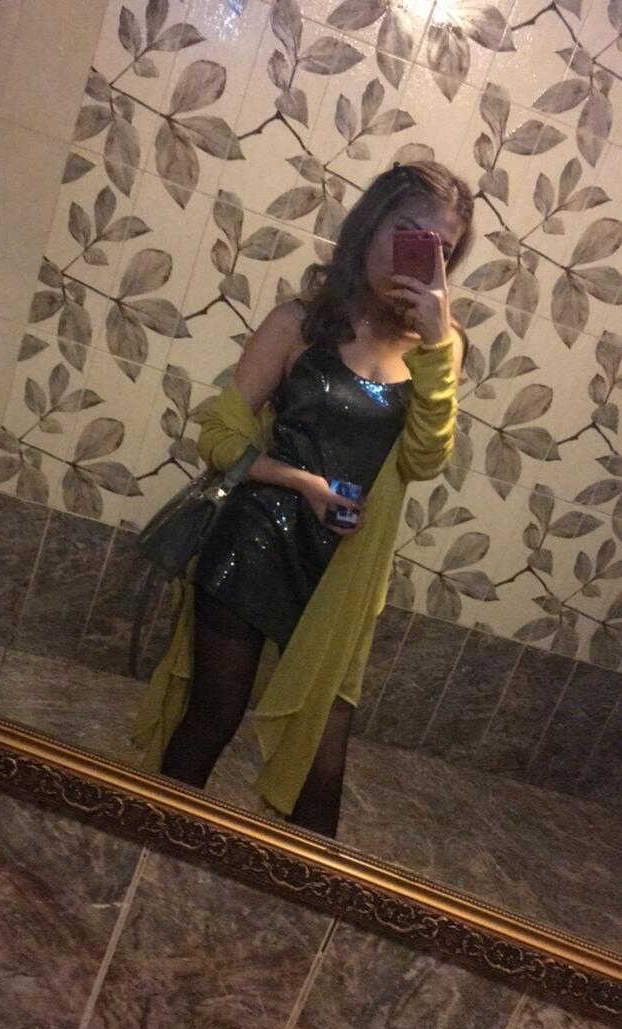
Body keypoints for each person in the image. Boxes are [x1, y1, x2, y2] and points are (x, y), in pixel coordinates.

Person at [134, 161, 474, 839]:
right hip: (253, 543)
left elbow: (424, 460)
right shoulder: (300, 322)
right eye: (406, 229)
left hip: (341, 572)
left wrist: (438, 345)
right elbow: (219, 435)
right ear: (370, 225)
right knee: (212, 715)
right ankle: (147, 848)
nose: (416, 251)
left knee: (324, 758)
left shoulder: (439, 348)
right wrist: (303, 484)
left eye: (437, 246)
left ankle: (303, 895)